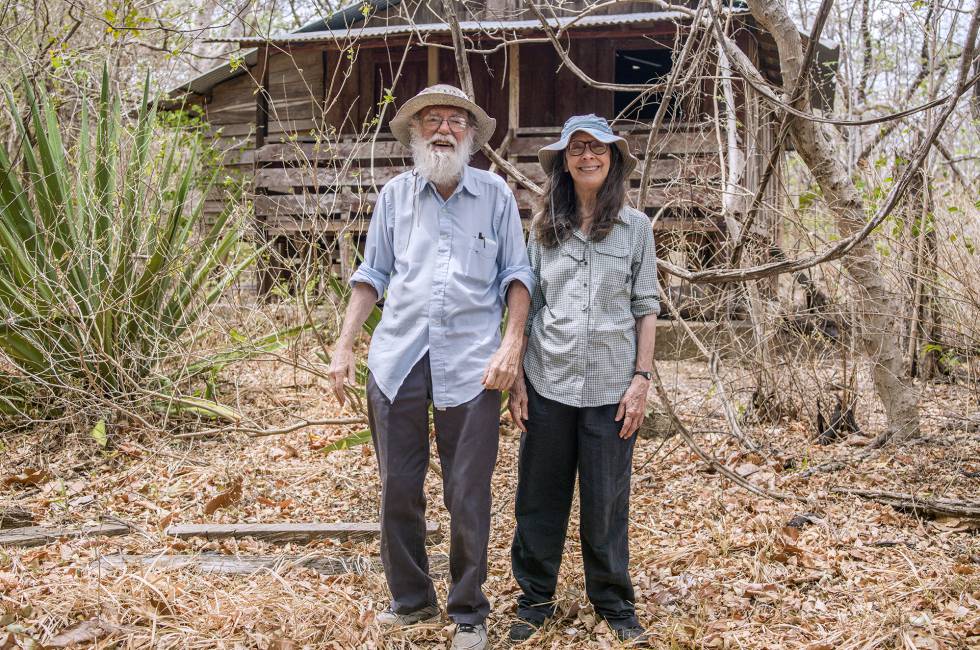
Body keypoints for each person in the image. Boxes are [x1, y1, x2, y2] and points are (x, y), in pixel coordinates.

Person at [327, 84, 532, 650]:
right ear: (415, 134)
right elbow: (372, 274)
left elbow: (518, 276)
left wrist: (512, 348)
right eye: (432, 121)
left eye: (455, 121)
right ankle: (411, 599)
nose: (444, 129)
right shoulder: (395, 195)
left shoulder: (495, 195)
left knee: (468, 492)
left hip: (473, 363)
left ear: (470, 134)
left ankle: (468, 609)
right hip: (398, 359)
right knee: (398, 487)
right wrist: (345, 345)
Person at [507, 114, 660, 645]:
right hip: (548, 379)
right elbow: (529, 300)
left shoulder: (636, 227)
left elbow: (646, 307)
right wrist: (518, 378)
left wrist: (642, 379)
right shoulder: (544, 225)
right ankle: (534, 600)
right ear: (563, 161)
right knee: (539, 497)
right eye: (576, 148)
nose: (587, 156)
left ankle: (614, 603)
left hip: (613, 390)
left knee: (606, 500)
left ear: (613, 158)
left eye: (597, 148)